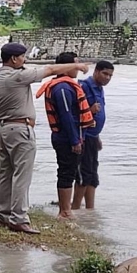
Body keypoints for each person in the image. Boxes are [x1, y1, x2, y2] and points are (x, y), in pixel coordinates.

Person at [0, 43, 88, 234]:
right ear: (14, 59)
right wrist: (76, 67)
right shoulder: (18, 77)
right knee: (22, 175)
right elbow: (49, 70)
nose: (25, 60)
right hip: (21, 129)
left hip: (3, 129)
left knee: (6, 174)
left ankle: (2, 216)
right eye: (23, 57)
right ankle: (19, 218)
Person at [35, 52, 95, 221]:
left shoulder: (65, 86)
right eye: (75, 64)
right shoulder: (62, 88)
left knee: (69, 172)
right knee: (66, 172)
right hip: (65, 138)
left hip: (71, 136)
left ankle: (66, 209)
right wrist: (75, 140)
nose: (78, 67)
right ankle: (65, 211)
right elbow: (66, 115)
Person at [72, 60, 114, 210]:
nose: (107, 78)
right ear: (96, 71)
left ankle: (90, 210)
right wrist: (90, 110)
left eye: (110, 75)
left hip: (92, 136)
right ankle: (74, 208)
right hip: (83, 137)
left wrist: (97, 136)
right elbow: (74, 114)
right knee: (84, 174)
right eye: (105, 74)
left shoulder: (99, 88)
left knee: (92, 176)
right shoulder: (84, 87)